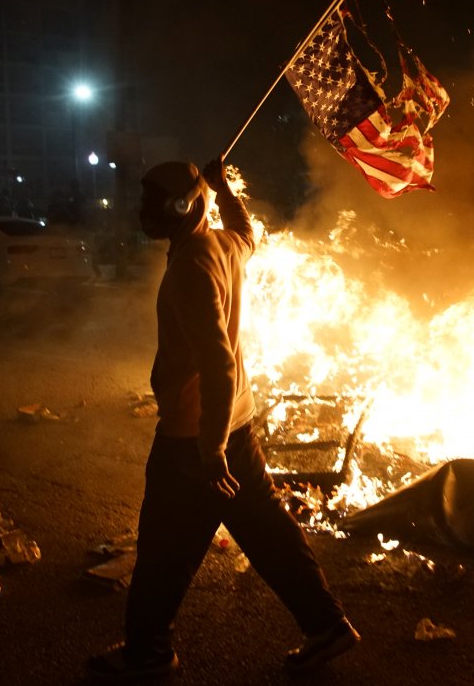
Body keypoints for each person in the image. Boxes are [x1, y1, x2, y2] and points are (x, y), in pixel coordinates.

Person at [88, 158, 358, 680]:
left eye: (152, 201)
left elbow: (218, 361)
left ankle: (148, 654)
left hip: (195, 439)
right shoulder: (222, 244)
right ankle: (328, 626)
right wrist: (224, 188)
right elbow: (247, 232)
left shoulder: (191, 266)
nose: (142, 210)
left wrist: (208, 451)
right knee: (270, 534)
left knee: (163, 549)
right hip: (236, 423)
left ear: (184, 205)